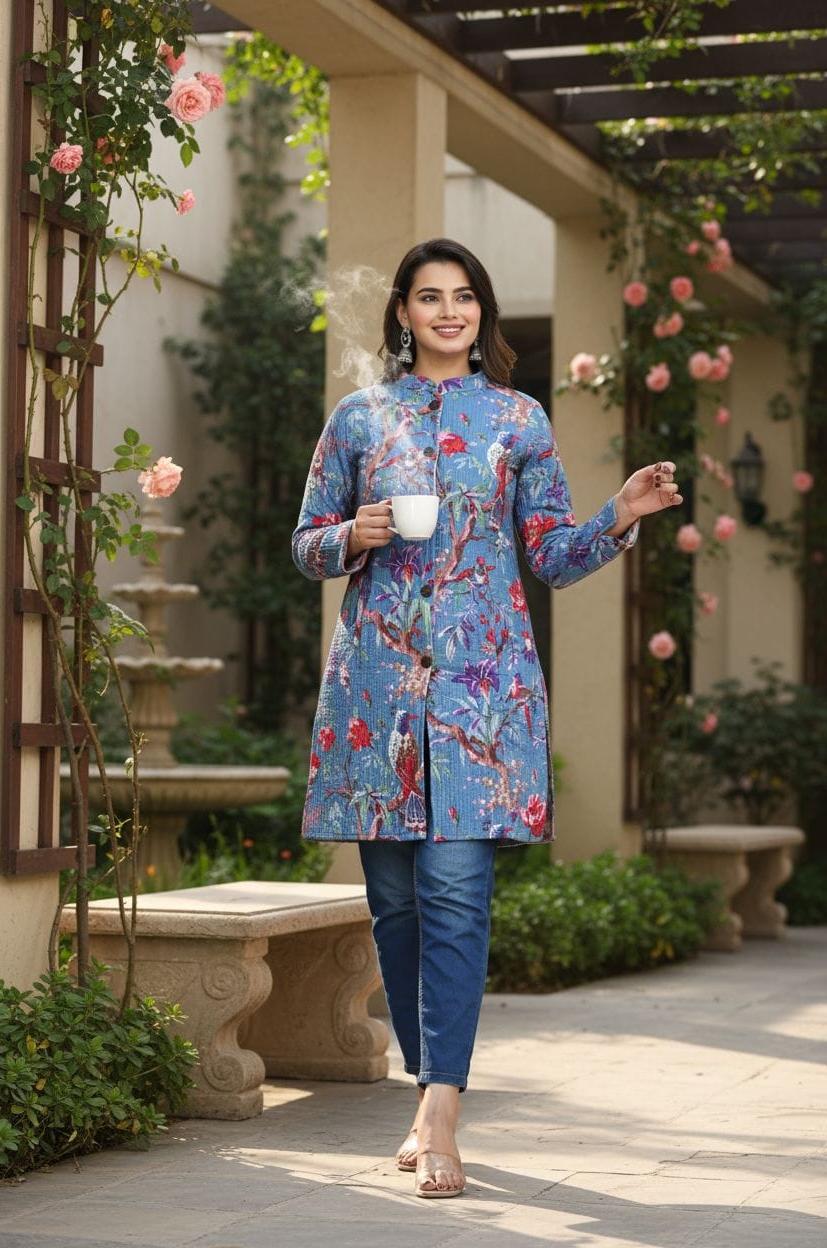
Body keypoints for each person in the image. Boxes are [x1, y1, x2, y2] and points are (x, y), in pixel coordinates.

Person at [292, 238, 682, 1198]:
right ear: (403, 313)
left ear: (482, 312)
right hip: (379, 693)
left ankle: (441, 1112)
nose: (449, 311)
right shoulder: (360, 417)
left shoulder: (517, 418)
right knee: (395, 905)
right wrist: (351, 535)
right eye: (430, 297)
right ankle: (426, 1086)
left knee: (456, 893)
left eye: (464, 296)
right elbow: (305, 543)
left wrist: (618, 513)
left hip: (483, 694)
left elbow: (548, 554)